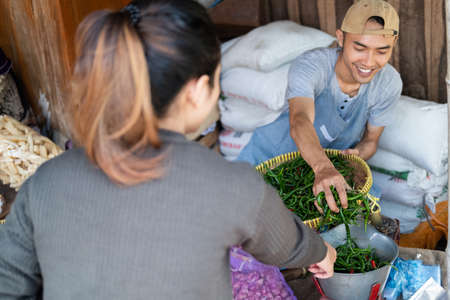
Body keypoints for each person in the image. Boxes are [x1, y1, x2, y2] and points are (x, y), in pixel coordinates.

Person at [0, 0, 335, 299]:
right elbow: (287, 245)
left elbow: (7, 283)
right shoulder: (232, 186)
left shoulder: (46, 183)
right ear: (198, 90)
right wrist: (322, 252)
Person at [238, 0, 402, 213]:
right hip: (270, 161)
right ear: (341, 38)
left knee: (365, 212)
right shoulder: (312, 66)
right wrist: (323, 167)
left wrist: (355, 155)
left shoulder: (388, 82)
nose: (369, 62)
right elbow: (300, 120)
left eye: (382, 51)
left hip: (327, 173)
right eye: (360, 48)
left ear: (394, 43)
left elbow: (371, 140)